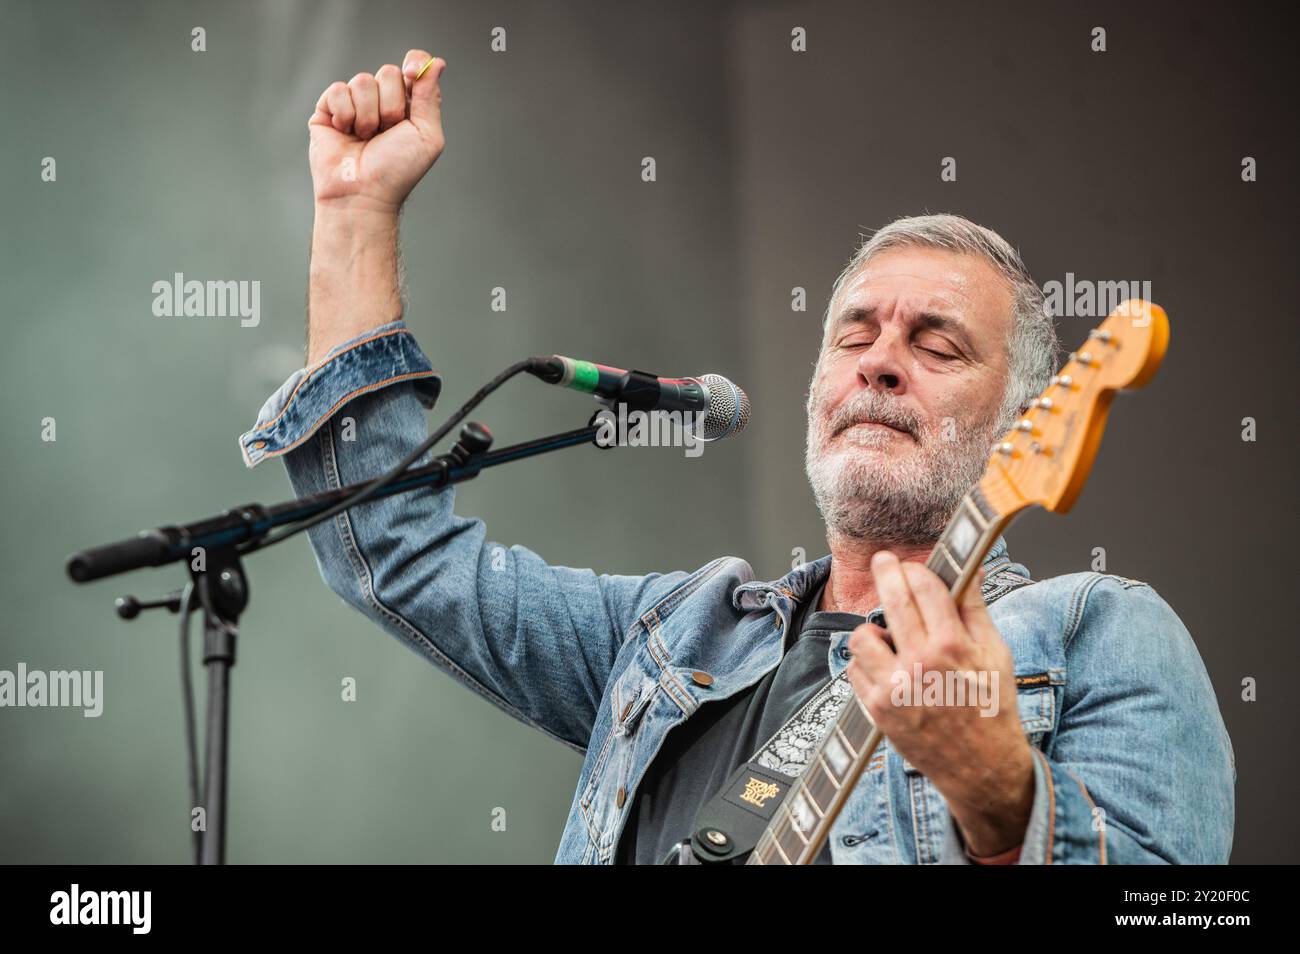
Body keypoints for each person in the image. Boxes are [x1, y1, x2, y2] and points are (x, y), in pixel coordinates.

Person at [240, 48, 1235, 865]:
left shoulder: (1097, 632)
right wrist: (355, 220)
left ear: (1023, 425)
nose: (880, 363)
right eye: (853, 335)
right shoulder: (678, 633)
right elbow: (392, 550)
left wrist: (995, 792)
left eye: (936, 345)